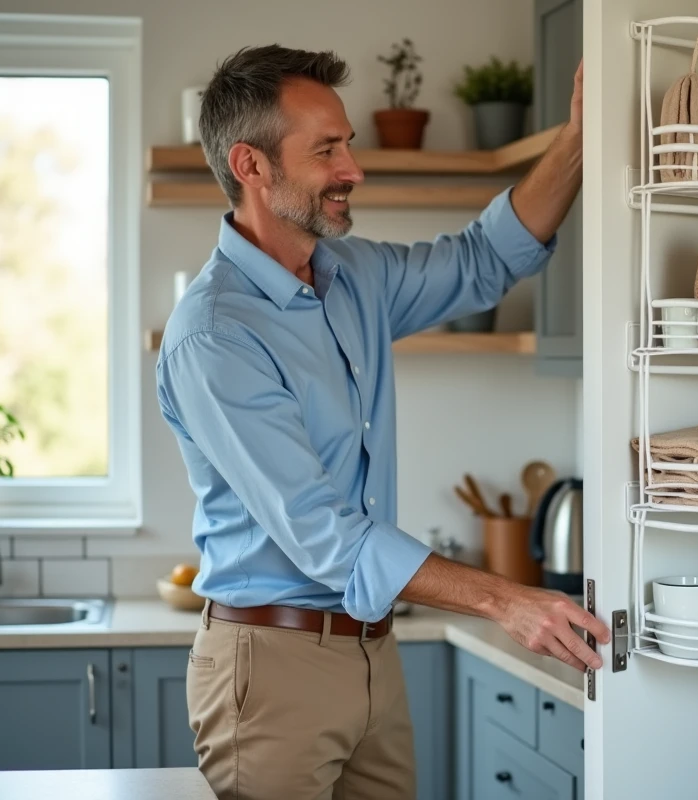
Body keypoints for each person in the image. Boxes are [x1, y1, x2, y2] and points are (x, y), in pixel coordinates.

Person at [155, 44, 610, 800]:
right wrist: (504, 599)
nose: (353, 169)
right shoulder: (215, 335)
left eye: (350, 145)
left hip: (373, 652)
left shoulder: (355, 277)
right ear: (251, 165)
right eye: (326, 150)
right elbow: (325, 534)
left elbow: (485, 260)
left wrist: (579, 138)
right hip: (271, 667)